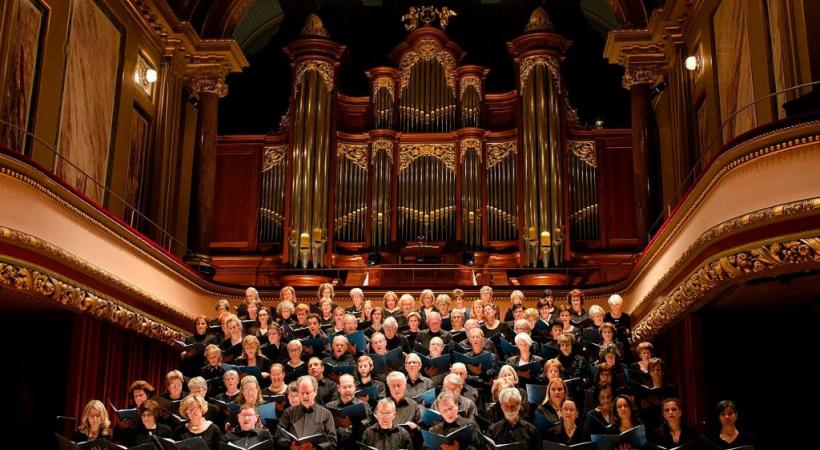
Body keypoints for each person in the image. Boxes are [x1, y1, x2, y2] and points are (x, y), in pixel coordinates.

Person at [275, 375, 337, 449]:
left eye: (307, 393)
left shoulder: (326, 414)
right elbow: (278, 436)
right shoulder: (288, 412)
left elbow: (332, 441)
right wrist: (290, 445)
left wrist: (316, 448)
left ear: (315, 391)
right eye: (302, 393)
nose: (304, 396)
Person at [325, 373, 373, 447]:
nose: (347, 390)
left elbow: (367, 429)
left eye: (350, 386)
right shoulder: (330, 406)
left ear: (355, 387)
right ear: (338, 388)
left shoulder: (364, 405)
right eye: (344, 387)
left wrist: (353, 424)